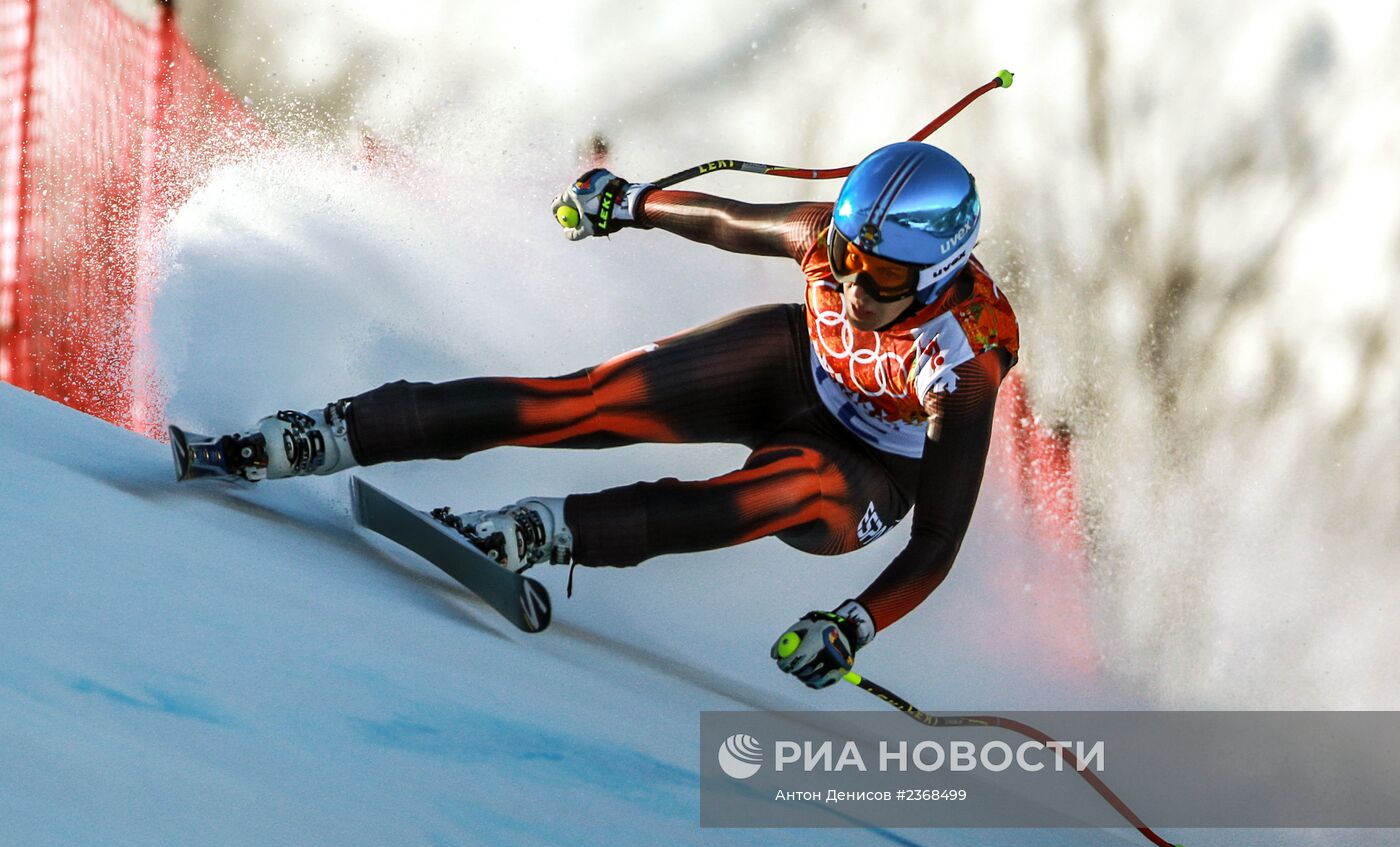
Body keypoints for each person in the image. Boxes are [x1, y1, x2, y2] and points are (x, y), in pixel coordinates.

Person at [193, 140, 1018, 690]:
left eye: (879, 275)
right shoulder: (829, 245)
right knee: (584, 398)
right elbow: (731, 221)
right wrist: (625, 203)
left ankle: (537, 530)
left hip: (870, 469)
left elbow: (939, 540)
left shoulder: (962, 359)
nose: (850, 284)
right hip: (790, 370)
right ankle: (326, 432)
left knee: (782, 484)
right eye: (844, 256)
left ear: (940, 273)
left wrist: (856, 623)